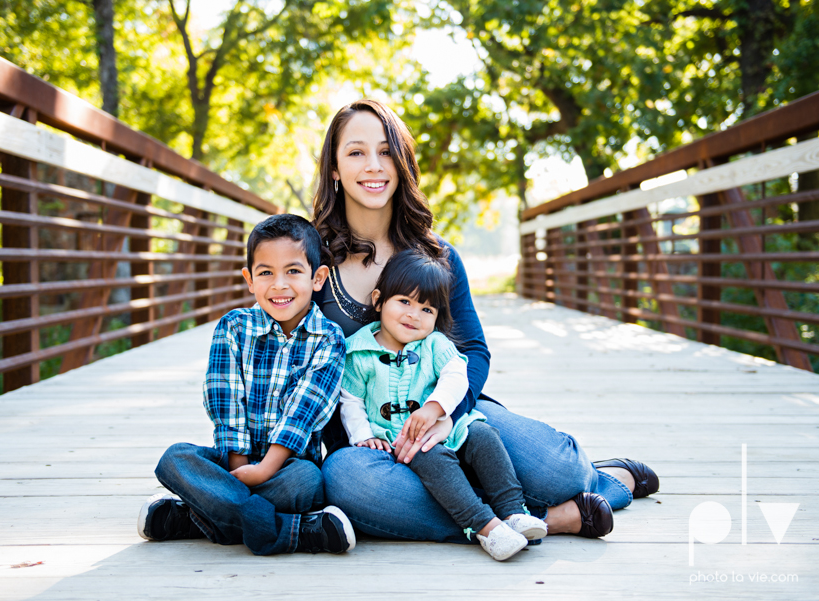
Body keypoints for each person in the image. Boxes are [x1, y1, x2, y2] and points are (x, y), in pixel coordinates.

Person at [312, 99, 660, 544]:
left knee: (559, 470)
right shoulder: (313, 259)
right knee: (351, 486)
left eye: (386, 151)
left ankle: (597, 482)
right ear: (335, 168)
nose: (374, 166)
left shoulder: (438, 256)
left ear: (401, 163)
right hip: (370, 444)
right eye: (356, 152)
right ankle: (545, 518)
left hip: (454, 415)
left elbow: (473, 352)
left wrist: (445, 414)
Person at [137, 213, 356, 556]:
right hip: (231, 464)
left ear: (318, 278)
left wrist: (265, 469)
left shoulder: (329, 339)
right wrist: (240, 467)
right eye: (266, 272)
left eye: (293, 271)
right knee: (175, 459)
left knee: (308, 482)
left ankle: (195, 517)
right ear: (249, 279)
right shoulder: (234, 327)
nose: (279, 284)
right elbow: (224, 400)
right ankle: (289, 532)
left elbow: (305, 412)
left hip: (285, 468)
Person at [340, 248, 549, 560]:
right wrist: (362, 435)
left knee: (484, 436)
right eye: (404, 302)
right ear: (378, 300)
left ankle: (513, 512)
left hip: (446, 426)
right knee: (430, 456)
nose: (414, 315)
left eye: (427, 310)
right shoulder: (359, 351)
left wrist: (435, 408)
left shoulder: (435, 344)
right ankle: (484, 526)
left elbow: (455, 374)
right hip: (401, 441)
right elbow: (351, 399)